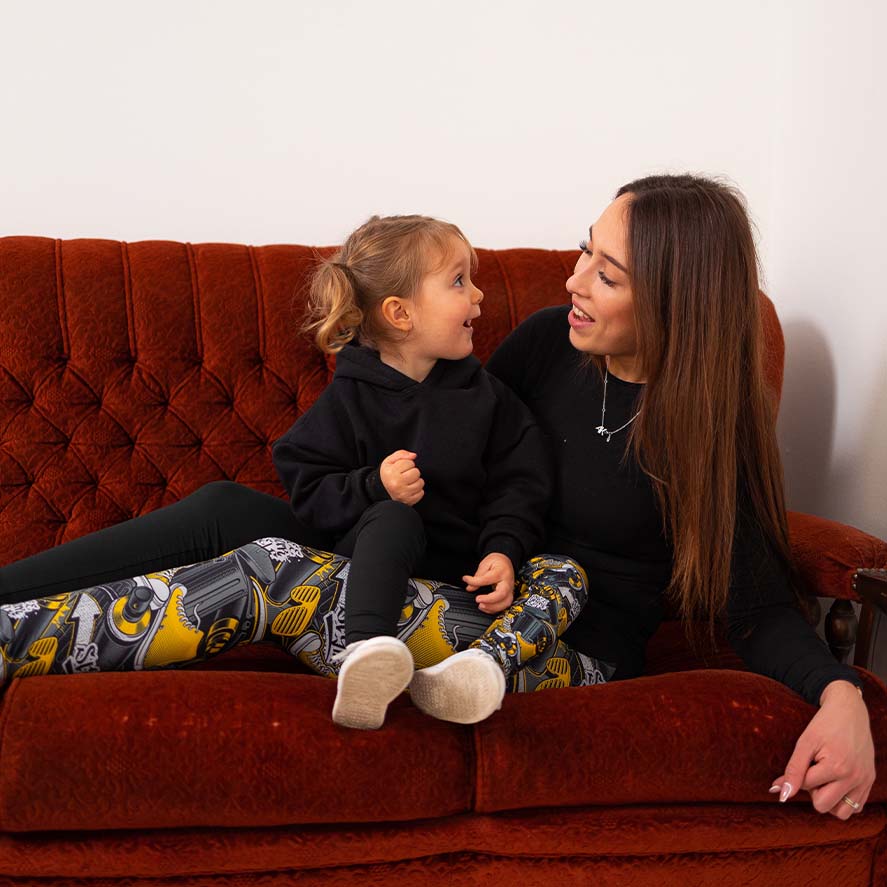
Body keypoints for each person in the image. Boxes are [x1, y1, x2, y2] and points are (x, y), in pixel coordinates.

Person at [0, 174, 874, 819]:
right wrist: (374, 486)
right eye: (584, 250)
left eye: (605, 274)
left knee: (269, 572)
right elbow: (464, 437)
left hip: (552, 637)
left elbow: (758, 605)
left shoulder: (707, 434)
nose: (572, 281)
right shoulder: (550, 342)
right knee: (230, 506)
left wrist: (840, 696)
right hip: (456, 572)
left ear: (678, 302)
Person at [271, 214, 565, 729]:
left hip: (454, 587)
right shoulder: (350, 396)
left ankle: (409, 656)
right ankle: (365, 658)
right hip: (367, 578)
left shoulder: (486, 397)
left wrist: (503, 549)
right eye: (459, 281)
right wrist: (373, 485)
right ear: (401, 314)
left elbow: (520, 484)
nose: (478, 295)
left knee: (565, 570)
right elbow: (308, 487)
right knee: (394, 516)